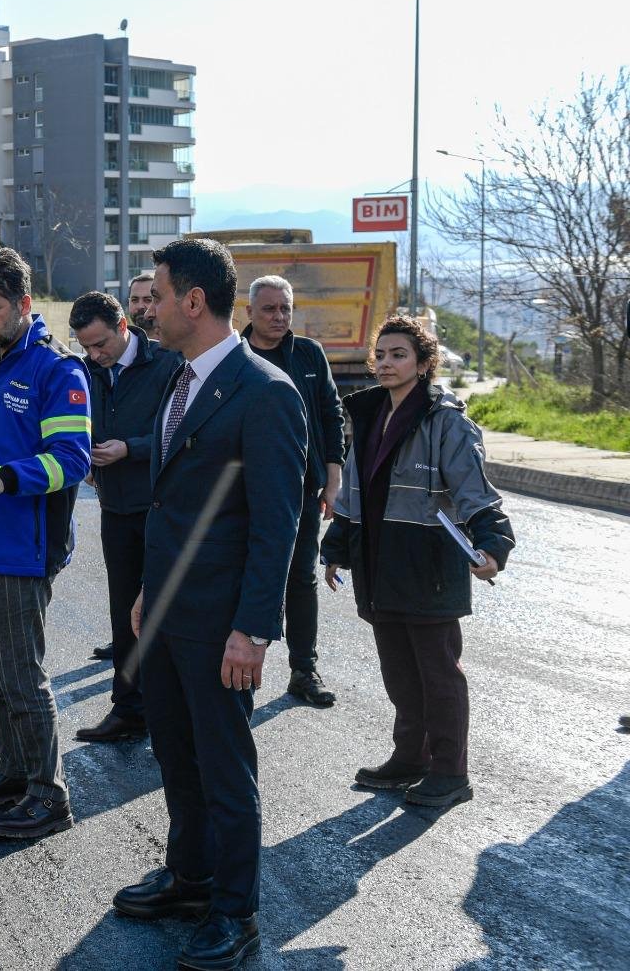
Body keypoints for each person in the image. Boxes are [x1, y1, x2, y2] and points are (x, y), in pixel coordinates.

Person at [111, 238, 305, 971]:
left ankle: (234, 911)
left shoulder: (266, 393)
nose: (148, 308)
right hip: (165, 614)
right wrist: (144, 595)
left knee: (226, 773)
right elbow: (169, 502)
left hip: (223, 625)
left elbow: (277, 523)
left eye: (156, 295)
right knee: (177, 757)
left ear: (193, 301)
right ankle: (189, 878)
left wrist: (254, 631)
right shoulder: (176, 377)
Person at [321, 315, 514, 810]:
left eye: (398, 354)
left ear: (424, 363)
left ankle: (450, 772)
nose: (386, 363)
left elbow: (475, 493)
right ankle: (410, 757)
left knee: (438, 674)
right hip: (378, 563)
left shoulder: (447, 422)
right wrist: (337, 545)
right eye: (380, 355)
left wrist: (494, 543)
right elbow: (354, 494)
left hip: (427, 566)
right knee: (400, 672)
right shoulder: (365, 415)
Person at [0, 248, 92, 840]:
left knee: (19, 671)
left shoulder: (58, 371)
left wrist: (3, 479)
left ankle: (47, 794)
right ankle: (13, 771)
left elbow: (71, 460)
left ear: (25, 305)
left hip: (22, 540)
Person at [68, 290, 178, 743]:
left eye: (100, 344)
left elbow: (179, 436)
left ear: (123, 328)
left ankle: (173, 713)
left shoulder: (167, 365)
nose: (94, 354)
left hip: (159, 510)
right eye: (86, 347)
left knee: (165, 614)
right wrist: (88, 461)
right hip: (114, 509)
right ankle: (129, 710)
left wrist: (129, 449)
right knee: (123, 617)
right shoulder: (87, 372)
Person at [242, 274, 346, 708]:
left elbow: (331, 412)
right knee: (243, 575)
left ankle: (304, 669)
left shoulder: (308, 354)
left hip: (303, 490)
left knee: (301, 579)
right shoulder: (234, 356)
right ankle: (239, 666)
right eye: (269, 309)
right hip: (243, 491)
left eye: (286, 308)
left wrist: (333, 476)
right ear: (248, 313)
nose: (279, 317)